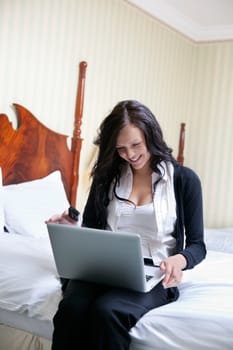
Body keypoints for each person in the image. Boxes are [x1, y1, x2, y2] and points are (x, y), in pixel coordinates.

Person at [47, 100, 206, 350]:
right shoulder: (106, 177)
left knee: (108, 311)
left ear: (151, 136)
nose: (130, 155)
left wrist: (180, 260)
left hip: (155, 273)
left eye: (136, 145)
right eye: (121, 149)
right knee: (71, 308)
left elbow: (198, 245)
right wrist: (72, 225)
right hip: (103, 266)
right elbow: (91, 228)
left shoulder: (184, 180)